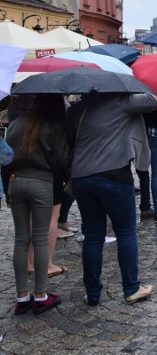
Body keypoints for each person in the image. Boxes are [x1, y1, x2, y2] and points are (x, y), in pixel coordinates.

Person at [68, 90, 157, 306]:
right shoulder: (121, 102)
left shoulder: (76, 110)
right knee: (126, 232)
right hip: (114, 176)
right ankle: (131, 288)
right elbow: (153, 100)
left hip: (82, 177)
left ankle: (92, 293)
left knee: (92, 236)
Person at [6, 94, 71, 315]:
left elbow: (5, 157)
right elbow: (63, 161)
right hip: (42, 182)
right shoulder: (54, 125)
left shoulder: (16, 123)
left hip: (16, 182)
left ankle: (22, 297)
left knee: (21, 239)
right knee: (40, 238)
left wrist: (7, 189)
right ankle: (41, 295)